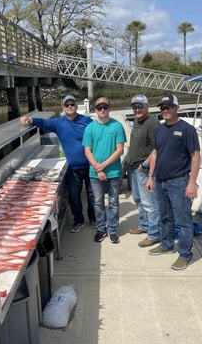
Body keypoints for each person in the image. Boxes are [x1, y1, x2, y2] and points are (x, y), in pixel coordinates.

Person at [20, 95, 96, 232]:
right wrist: (29, 120)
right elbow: (43, 123)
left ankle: (94, 219)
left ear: (76, 107)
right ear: (63, 108)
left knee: (92, 195)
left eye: (72, 104)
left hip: (90, 165)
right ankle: (79, 220)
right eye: (67, 105)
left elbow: (98, 135)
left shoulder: (86, 121)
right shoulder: (58, 123)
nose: (70, 107)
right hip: (73, 168)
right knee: (74, 196)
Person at [146, 93, 200, 270]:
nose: (165, 110)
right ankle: (166, 244)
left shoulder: (187, 129)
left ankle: (185, 254)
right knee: (164, 216)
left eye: (168, 107)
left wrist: (192, 183)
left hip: (179, 181)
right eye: (162, 108)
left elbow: (195, 156)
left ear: (177, 108)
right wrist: (150, 176)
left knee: (183, 220)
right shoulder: (159, 129)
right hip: (160, 181)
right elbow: (155, 153)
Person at [82, 97, 126, 243]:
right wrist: (98, 168)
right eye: (99, 108)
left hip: (114, 172)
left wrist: (104, 165)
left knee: (113, 201)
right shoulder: (90, 128)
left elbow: (119, 150)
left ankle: (112, 229)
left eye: (105, 107)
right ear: (95, 110)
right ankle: (101, 229)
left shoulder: (117, 126)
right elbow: (87, 151)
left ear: (110, 108)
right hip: (95, 173)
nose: (102, 110)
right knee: (98, 202)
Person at [128, 94, 161, 247]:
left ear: (147, 106)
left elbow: (157, 148)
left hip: (143, 169)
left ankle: (154, 234)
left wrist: (145, 165)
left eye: (140, 106)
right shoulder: (136, 120)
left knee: (150, 204)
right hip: (133, 168)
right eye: (134, 107)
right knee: (138, 200)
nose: (137, 109)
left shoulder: (152, 123)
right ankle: (144, 226)